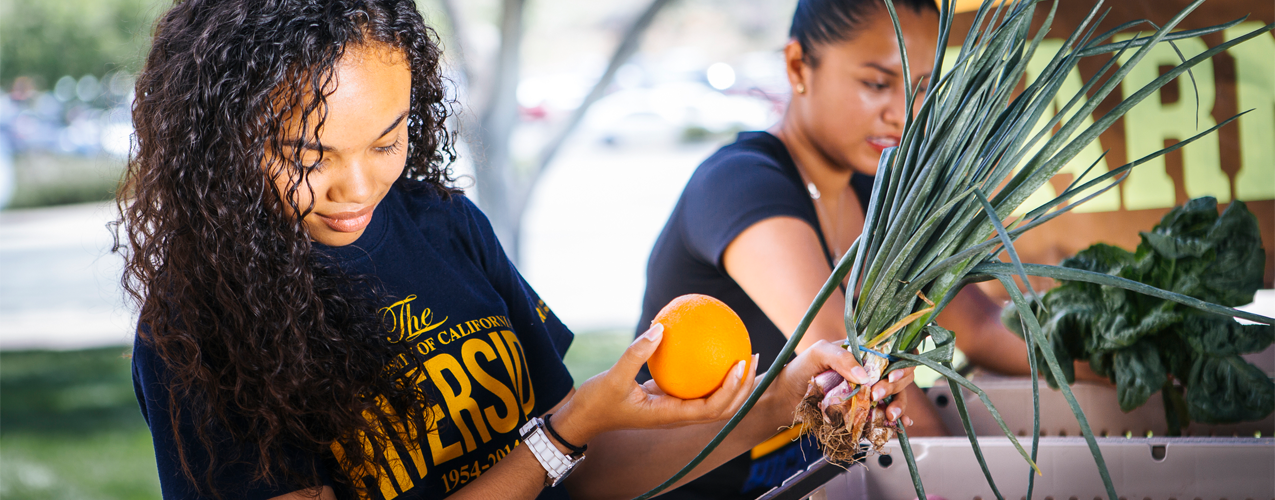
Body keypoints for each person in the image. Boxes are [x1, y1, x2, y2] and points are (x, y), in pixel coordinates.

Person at [118, 1, 919, 499]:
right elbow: (558, 448)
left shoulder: (441, 223)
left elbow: (579, 480)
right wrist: (563, 430)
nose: (356, 187)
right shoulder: (195, 325)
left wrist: (780, 402)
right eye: (307, 156)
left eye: (387, 139)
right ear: (224, 139)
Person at [636, 0, 1060, 497]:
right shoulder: (741, 185)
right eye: (877, 83)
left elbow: (984, 327)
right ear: (798, 66)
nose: (903, 112)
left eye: (921, 88)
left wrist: (1122, 361)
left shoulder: (871, 191)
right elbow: (856, 366)